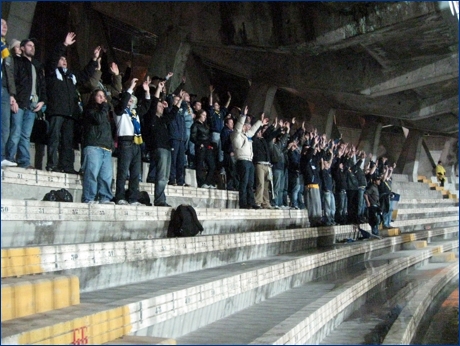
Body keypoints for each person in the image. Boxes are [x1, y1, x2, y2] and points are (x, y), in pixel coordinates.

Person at [45, 32, 100, 174]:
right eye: (61, 59)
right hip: (56, 111)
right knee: (54, 139)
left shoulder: (71, 76)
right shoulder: (52, 73)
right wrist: (64, 45)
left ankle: (67, 166)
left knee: (68, 141)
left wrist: (94, 59)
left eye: (65, 60)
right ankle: (52, 164)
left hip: (70, 114)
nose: (64, 61)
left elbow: (85, 74)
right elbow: (52, 60)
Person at [6, 38, 47, 168]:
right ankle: (9, 158)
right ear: (22, 48)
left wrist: (42, 101)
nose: (32, 47)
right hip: (20, 102)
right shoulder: (17, 62)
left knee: (26, 135)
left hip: (32, 105)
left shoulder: (36, 65)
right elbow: (12, 81)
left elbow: (42, 85)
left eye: (34, 46)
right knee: (15, 132)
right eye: (29, 45)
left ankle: (24, 161)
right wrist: (13, 98)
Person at [143, 81, 183, 207]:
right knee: (161, 176)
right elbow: (154, 103)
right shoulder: (151, 117)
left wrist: (179, 101)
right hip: (158, 148)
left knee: (165, 177)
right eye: (160, 106)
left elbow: (172, 114)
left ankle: (161, 198)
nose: (162, 107)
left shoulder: (162, 120)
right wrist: (159, 89)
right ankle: (159, 200)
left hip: (166, 148)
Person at [114, 78, 151, 205]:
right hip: (125, 142)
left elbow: (146, 106)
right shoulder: (119, 111)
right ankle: (119, 197)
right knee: (123, 172)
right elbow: (123, 102)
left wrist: (147, 92)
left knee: (135, 174)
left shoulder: (134, 112)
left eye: (132, 98)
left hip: (136, 143)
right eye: (128, 97)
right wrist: (130, 88)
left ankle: (133, 198)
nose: (130, 99)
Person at [81, 89, 114, 204]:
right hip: (93, 146)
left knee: (106, 176)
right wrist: (104, 106)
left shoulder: (106, 113)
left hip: (106, 147)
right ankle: (89, 198)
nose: (102, 98)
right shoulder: (90, 110)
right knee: (92, 174)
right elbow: (98, 119)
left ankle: (105, 197)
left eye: (103, 96)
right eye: (99, 96)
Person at [231, 106, 267, 209]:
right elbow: (238, 127)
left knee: (250, 184)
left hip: (249, 161)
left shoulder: (247, 136)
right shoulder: (236, 135)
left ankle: (251, 202)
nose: (248, 128)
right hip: (242, 161)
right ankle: (243, 203)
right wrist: (243, 116)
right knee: (244, 183)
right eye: (246, 126)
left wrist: (260, 122)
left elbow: (253, 130)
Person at [1, 19, 17, 167]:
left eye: (6, 24)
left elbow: (9, 73)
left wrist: (12, 94)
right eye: (1, 24)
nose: (5, 26)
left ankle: (1, 157)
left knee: (5, 127)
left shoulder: (5, 49)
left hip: (4, 90)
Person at [190, 109, 216, 189]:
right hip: (200, 146)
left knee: (212, 165)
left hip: (207, 146)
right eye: (203, 115)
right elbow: (192, 137)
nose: (205, 117)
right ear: (199, 115)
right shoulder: (195, 125)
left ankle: (207, 182)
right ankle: (201, 183)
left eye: (205, 115)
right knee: (200, 165)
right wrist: (199, 144)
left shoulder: (205, 125)